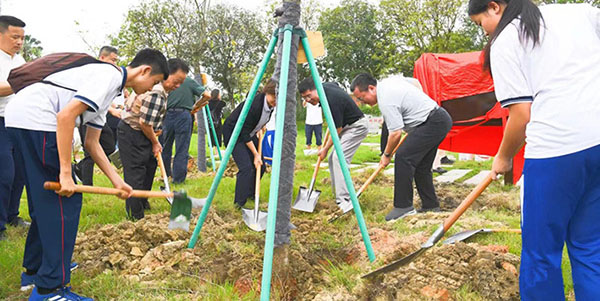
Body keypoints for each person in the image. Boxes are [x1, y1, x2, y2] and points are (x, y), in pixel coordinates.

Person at [5, 48, 168, 301]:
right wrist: (66, 173)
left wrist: (118, 181)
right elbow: (65, 116)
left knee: (45, 202)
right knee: (64, 203)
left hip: (20, 118)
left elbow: (92, 142)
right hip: (38, 119)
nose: (150, 89)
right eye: (154, 82)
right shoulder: (109, 76)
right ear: (145, 70)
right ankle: (49, 289)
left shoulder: (109, 88)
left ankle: (34, 273)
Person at [468, 1, 600, 299]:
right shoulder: (578, 12)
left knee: (541, 253)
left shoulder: (506, 41)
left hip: (556, 153)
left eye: (480, 23)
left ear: (494, 7)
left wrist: (502, 158)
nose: (484, 31)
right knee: (590, 247)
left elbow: (521, 115)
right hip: (598, 143)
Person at [351, 73, 452, 222]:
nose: (363, 102)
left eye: (361, 97)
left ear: (371, 88)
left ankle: (403, 207)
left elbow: (395, 133)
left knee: (404, 157)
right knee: (421, 166)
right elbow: (414, 83)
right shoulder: (388, 83)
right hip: (438, 119)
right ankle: (430, 205)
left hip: (432, 122)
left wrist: (386, 155)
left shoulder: (386, 100)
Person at [119, 58, 188, 220]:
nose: (177, 86)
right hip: (132, 132)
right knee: (135, 173)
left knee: (149, 167)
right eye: (176, 81)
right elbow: (144, 123)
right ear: (165, 74)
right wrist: (155, 142)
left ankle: (142, 201)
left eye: (180, 84)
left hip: (142, 132)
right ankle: (135, 215)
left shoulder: (161, 90)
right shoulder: (156, 92)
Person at [299, 78, 368, 213]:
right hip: (347, 125)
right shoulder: (324, 89)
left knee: (338, 158)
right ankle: (338, 195)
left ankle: (345, 200)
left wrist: (324, 149)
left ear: (316, 89)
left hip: (356, 126)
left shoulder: (331, 100)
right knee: (332, 159)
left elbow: (337, 130)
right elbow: (334, 84)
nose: (307, 100)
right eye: (304, 98)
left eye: (309, 96)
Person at [223, 80, 277, 208]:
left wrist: (259, 128)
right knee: (246, 167)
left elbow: (257, 122)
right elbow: (244, 131)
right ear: (267, 92)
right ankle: (239, 203)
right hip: (234, 133)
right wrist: (255, 154)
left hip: (249, 133)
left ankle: (251, 194)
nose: (276, 101)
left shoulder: (271, 105)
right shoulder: (254, 105)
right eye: (274, 97)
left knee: (261, 167)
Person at [75, 46, 121, 185]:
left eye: (116, 61)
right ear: (102, 58)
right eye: (113, 60)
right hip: (84, 117)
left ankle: (78, 167)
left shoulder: (110, 77)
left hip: (99, 118)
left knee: (109, 147)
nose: (115, 64)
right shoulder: (94, 73)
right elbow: (93, 98)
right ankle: (87, 184)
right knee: (90, 151)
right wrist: (112, 111)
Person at [0, 15, 27, 242]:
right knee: (4, 174)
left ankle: (12, 215)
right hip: (0, 121)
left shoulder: (20, 61)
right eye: (14, 37)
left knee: (20, 172)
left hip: (18, 122)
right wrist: (23, 82)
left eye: (22, 38)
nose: (19, 42)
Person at [159, 76, 208, 184]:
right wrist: (195, 106)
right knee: (181, 148)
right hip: (183, 115)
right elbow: (207, 95)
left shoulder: (166, 80)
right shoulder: (188, 81)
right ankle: (178, 180)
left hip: (167, 115)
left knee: (165, 146)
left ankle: (165, 175)